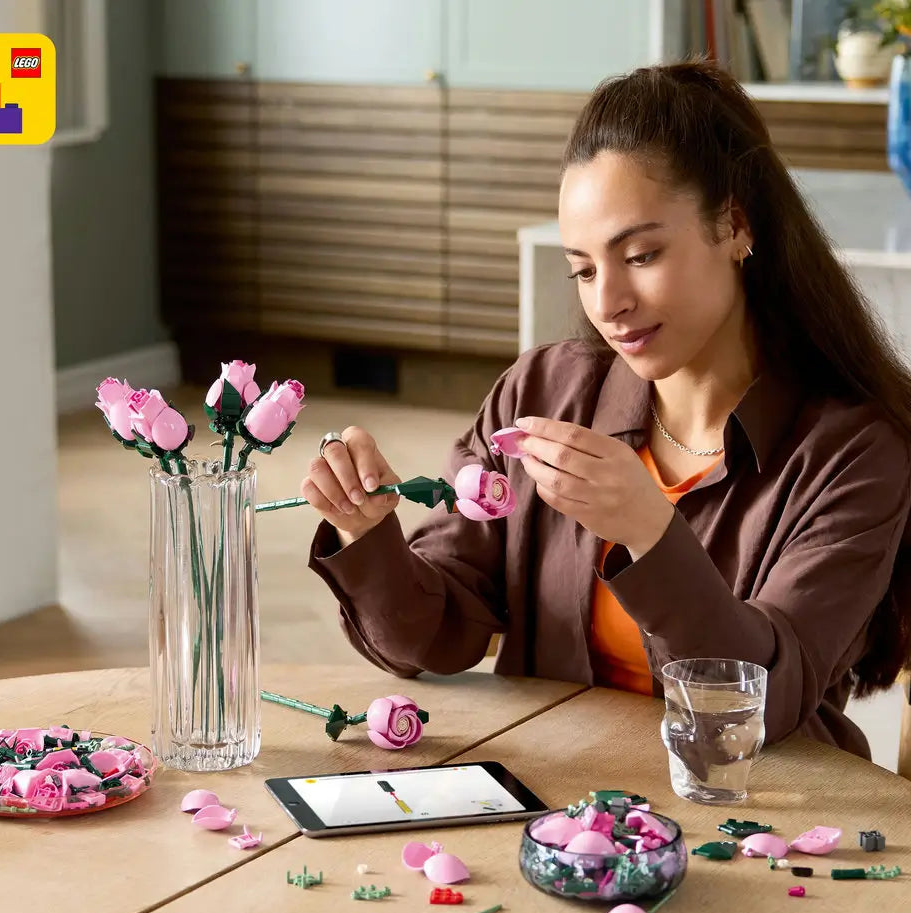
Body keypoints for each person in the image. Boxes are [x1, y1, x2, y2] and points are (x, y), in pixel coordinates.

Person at [301, 61, 911, 759]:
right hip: (555, 813)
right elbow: (440, 634)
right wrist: (367, 534)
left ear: (735, 224)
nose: (607, 302)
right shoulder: (541, 394)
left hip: (765, 813)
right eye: (584, 269)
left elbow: (765, 704)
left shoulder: (855, 451)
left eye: (642, 255)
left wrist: (653, 534)